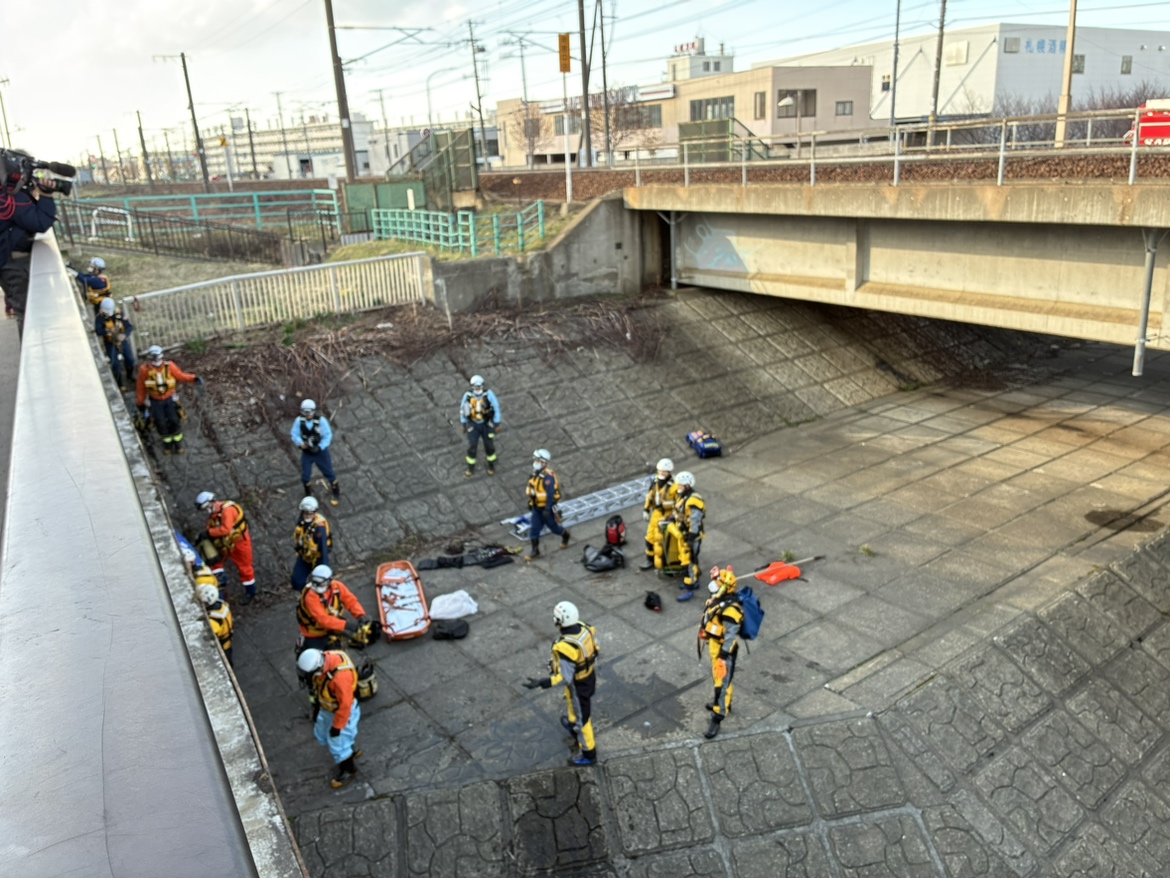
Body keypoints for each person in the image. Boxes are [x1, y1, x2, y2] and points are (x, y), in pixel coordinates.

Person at [523, 601, 600, 766]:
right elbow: (596, 648)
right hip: (588, 677)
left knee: (583, 720)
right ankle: (573, 725)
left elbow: (565, 677)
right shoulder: (585, 628)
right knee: (572, 703)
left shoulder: (566, 647)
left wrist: (543, 682)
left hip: (578, 684)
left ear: (558, 621)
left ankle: (589, 754)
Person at [0, 159, 59, 333]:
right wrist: (46, 196)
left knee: (24, 312)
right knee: (28, 314)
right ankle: (36, 348)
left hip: (6, 261)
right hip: (14, 265)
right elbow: (40, 222)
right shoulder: (9, 199)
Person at [297, 648, 362, 789]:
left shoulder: (340, 678)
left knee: (337, 742)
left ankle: (349, 769)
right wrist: (317, 708)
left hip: (342, 714)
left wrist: (337, 727)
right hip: (328, 709)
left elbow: (345, 706)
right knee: (321, 732)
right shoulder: (327, 659)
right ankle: (350, 748)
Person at [699, 566, 744, 739]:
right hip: (714, 645)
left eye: (717, 582)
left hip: (723, 652)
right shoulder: (718, 601)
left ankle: (718, 717)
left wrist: (723, 658)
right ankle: (726, 703)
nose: (714, 585)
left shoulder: (730, 610)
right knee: (719, 680)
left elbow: (730, 637)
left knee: (721, 685)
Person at [136, 345, 202, 454]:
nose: (156, 360)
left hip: (170, 399)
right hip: (155, 401)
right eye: (154, 357)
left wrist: (194, 378)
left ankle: (178, 443)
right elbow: (141, 387)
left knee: (174, 420)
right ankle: (167, 444)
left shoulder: (169, 366)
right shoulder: (144, 370)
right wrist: (140, 403)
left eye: (158, 357)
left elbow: (180, 376)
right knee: (160, 422)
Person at [195, 491, 256, 605]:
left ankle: (251, 591)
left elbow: (226, 529)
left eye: (207, 507)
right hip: (226, 542)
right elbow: (213, 526)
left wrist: (209, 533)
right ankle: (221, 580)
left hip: (239, 543)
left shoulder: (228, 511)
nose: (207, 511)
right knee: (215, 560)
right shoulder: (216, 513)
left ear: (211, 502)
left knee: (245, 567)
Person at [296, 564, 370, 652]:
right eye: (315, 583)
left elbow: (350, 601)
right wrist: (346, 625)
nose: (317, 587)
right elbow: (323, 620)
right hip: (314, 633)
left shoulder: (337, 587)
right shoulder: (310, 597)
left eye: (321, 584)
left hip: (334, 624)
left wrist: (360, 614)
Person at [662, 471, 705, 601]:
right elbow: (679, 512)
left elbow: (695, 521)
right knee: (689, 560)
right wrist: (672, 517)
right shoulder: (683, 496)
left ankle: (689, 588)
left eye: (681, 485)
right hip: (683, 534)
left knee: (688, 562)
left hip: (690, 536)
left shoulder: (693, 501)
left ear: (688, 485)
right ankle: (694, 580)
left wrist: (691, 537)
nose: (678, 487)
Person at [291, 399, 340, 506]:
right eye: (305, 413)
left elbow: (328, 435)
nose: (308, 415)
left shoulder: (321, 421)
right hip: (307, 452)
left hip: (320, 453)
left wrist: (320, 447)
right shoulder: (299, 421)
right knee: (305, 476)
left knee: (329, 473)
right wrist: (301, 443)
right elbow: (294, 434)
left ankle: (336, 493)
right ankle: (308, 494)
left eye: (309, 412)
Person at [524, 448, 570, 561]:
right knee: (534, 529)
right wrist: (531, 502)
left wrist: (547, 508)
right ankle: (535, 551)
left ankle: (565, 535)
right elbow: (534, 491)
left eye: (537, 461)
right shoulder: (534, 474)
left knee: (554, 528)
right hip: (537, 509)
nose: (535, 463)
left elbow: (550, 494)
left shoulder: (548, 477)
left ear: (544, 463)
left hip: (546, 509)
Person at [459, 374, 501, 477]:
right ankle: (470, 467)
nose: (477, 389)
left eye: (479, 387)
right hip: (473, 424)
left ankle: (491, 465)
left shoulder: (488, 394)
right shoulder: (468, 396)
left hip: (486, 424)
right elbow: (463, 410)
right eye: (475, 387)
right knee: (472, 445)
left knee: (489, 446)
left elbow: (496, 407)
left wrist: (497, 423)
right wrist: (463, 423)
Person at [641, 458, 677, 571]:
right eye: (659, 471)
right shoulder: (655, 482)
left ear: (669, 472)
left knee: (665, 541)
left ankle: (667, 562)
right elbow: (650, 496)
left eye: (663, 471)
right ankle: (650, 559)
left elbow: (679, 502)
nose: (661, 473)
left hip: (668, 515)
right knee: (650, 538)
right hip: (656, 513)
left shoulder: (674, 486)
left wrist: (675, 516)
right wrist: (646, 509)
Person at [94, 296, 135, 390]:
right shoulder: (100, 318)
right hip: (110, 342)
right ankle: (120, 384)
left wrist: (124, 335)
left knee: (130, 359)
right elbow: (98, 331)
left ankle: (130, 376)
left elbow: (129, 327)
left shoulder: (119, 313)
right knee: (115, 364)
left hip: (122, 340)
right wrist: (107, 331)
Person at [292, 496, 332, 591]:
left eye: (310, 513)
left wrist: (324, 569)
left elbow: (323, 550)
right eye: (306, 513)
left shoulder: (319, 529)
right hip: (305, 555)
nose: (308, 516)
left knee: (320, 583)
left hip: (317, 558)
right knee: (297, 581)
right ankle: (304, 593)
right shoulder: (301, 521)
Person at [197, 583, 234, 666]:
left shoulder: (213, 621)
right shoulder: (222, 605)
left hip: (223, 644)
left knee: (226, 663)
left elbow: (208, 638)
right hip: (228, 637)